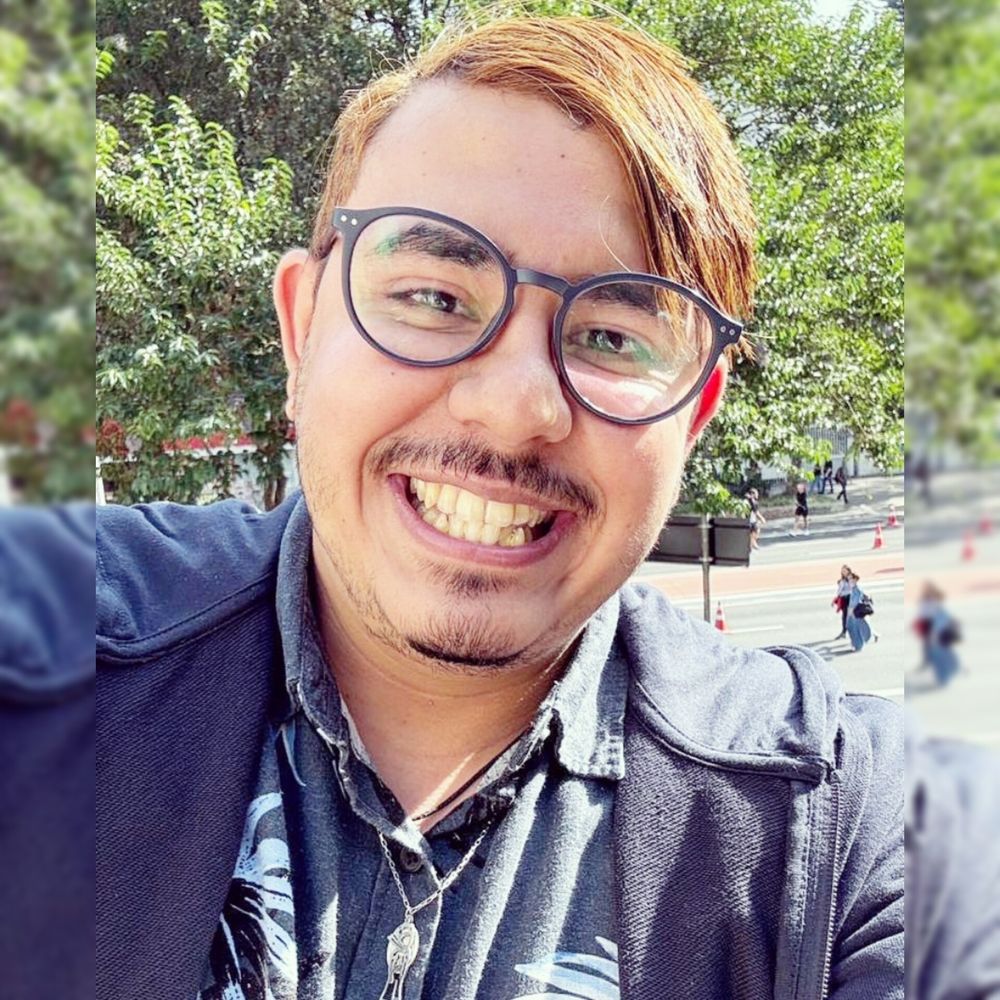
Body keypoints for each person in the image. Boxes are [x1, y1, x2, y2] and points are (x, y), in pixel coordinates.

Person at [93, 16, 902, 1000]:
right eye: (434, 297)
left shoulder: (838, 826)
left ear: (692, 417)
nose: (517, 407)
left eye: (611, 337)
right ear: (303, 331)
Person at [915, 581, 961, 686]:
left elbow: (940, 623)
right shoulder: (928, 602)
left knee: (941, 653)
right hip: (930, 629)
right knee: (935, 651)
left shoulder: (936, 606)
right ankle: (941, 670)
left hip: (937, 632)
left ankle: (946, 673)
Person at [846, 572, 879, 651]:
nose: (849, 581)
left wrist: (851, 610)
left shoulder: (857, 589)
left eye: (851, 579)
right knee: (858, 626)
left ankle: (858, 646)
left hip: (855, 612)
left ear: (855, 579)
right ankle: (873, 635)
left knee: (856, 628)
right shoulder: (854, 588)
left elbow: (856, 601)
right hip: (854, 612)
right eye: (848, 579)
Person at [832, 563, 853, 639]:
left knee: (852, 617)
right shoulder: (842, 580)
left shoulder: (851, 579)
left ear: (848, 571)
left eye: (844, 571)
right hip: (844, 599)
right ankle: (844, 632)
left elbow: (852, 590)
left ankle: (849, 632)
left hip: (850, 599)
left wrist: (841, 593)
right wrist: (836, 598)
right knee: (844, 616)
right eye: (842, 571)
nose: (843, 572)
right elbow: (839, 591)